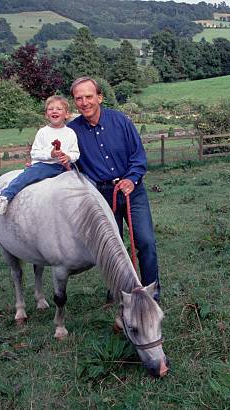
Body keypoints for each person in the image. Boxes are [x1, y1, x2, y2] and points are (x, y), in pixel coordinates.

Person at [67, 76, 160, 300]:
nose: (84, 102)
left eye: (89, 96)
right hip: (100, 196)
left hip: (132, 191)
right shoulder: (71, 131)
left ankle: (151, 294)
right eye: (78, 98)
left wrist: (131, 179)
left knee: (145, 241)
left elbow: (138, 156)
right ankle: (119, 293)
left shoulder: (121, 121)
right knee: (112, 248)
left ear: (100, 97)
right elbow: (69, 164)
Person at [0, 96, 79, 215]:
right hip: (45, 166)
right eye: (50, 109)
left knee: (81, 183)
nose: (54, 111)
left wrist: (68, 157)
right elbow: (35, 153)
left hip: (65, 167)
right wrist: (50, 154)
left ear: (66, 114)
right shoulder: (43, 132)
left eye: (59, 108)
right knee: (25, 177)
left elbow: (76, 153)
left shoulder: (70, 133)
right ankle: (5, 197)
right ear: (46, 114)